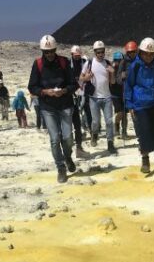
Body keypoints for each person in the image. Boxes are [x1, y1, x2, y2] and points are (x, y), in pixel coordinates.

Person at [28, 34, 77, 183]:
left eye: (51, 51)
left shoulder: (64, 62)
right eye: (46, 52)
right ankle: (61, 167)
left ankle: (67, 156)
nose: (49, 54)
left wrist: (64, 90)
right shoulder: (37, 64)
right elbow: (32, 86)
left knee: (67, 138)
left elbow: (73, 84)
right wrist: (44, 92)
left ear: (55, 49)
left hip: (65, 104)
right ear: (42, 51)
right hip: (48, 107)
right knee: (55, 139)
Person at [124, 37, 154, 173]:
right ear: (140, 52)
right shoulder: (135, 66)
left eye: (151, 54)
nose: (148, 56)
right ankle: (145, 159)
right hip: (140, 104)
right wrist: (129, 105)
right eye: (145, 53)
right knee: (143, 131)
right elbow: (129, 85)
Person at [80, 40, 116, 154]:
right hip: (94, 98)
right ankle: (94, 134)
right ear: (95, 52)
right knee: (95, 121)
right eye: (98, 52)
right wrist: (87, 77)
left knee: (109, 121)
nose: (100, 54)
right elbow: (81, 78)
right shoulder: (89, 63)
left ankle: (110, 143)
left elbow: (113, 82)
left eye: (102, 51)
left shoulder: (108, 63)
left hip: (107, 97)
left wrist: (112, 73)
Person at [116, 41, 138, 138]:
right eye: (130, 52)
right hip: (127, 91)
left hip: (138, 92)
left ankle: (139, 133)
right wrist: (122, 77)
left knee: (136, 113)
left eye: (133, 51)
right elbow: (118, 79)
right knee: (124, 113)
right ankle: (124, 132)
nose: (132, 53)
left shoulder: (140, 60)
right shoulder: (123, 62)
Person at [69, 45, 88, 155]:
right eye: (75, 55)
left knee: (78, 120)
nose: (77, 57)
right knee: (69, 122)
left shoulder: (84, 62)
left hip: (81, 91)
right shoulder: (67, 64)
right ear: (71, 54)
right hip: (70, 94)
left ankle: (79, 147)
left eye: (78, 55)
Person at [111, 52, 125, 136]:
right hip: (114, 94)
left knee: (123, 113)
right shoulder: (112, 69)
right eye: (117, 60)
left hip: (123, 93)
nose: (118, 62)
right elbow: (112, 82)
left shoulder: (124, 68)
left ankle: (123, 131)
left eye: (120, 60)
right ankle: (116, 125)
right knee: (120, 112)